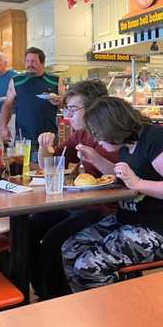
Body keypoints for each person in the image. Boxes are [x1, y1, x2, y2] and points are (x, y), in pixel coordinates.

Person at [62, 97, 163, 292]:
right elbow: (125, 177)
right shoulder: (126, 145)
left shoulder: (156, 139)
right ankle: (88, 308)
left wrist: (138, 183)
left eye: (98, 134)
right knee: (70, 248)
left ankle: (120, 313)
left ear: (112, 127)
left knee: (88, 266)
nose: (97, 140)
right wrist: (97, 159)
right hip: (131, 220)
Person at [29, 80, 119, 300]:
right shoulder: (80, 134)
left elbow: (122, 177)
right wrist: (43, 146)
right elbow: (49, 164)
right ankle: (37, 289)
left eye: (73, 109)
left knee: (54, 238)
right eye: (66, 108)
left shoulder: (113, 135)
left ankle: (55, 299)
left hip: (109, 209)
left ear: (94, 108)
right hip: (83, 202)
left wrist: (96, 160)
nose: (67, 114)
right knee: (30, 225)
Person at [0, 47, 62, 158]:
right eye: (27, 61)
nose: (29, 64)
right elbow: (7, 104)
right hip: (22, 137)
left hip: (48, 136)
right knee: (21, 169)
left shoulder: (55, 80)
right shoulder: (16, 81)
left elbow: (65, 104)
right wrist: (3, 126)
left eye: (33, 61)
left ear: (42, 62)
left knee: (45, 169)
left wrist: (59, 102)